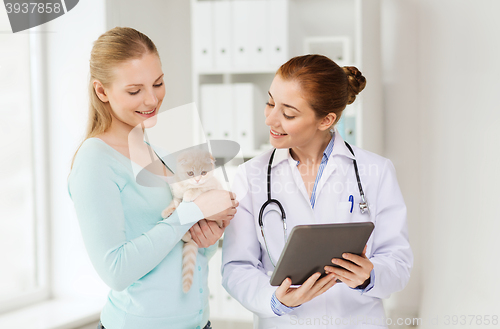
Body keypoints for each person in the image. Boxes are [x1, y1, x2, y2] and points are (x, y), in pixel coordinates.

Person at [221, 54, 413, 329]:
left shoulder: (375, 171)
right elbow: (236, 267)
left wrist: (369, 276)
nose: (271, 120)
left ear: (326, 120)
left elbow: (398, 261)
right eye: (270, 102)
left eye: (288, 113)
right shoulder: (251, 175)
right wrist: (276, 300)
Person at [67, 27, 237, 329]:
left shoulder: (159, 149)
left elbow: (176, 249)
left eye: (158, 84)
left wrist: (207, 239)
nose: (152, 99)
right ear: (101, 91)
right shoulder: (96, 159)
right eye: (135, 91)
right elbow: (116, 271)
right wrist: (193, 211)